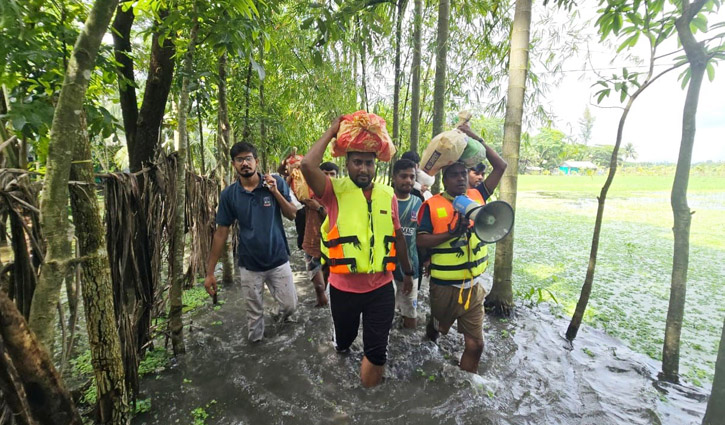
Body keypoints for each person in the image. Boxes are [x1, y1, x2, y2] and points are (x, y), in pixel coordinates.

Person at [301, 117, 415, 388]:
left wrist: (408, 273)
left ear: (376, 165)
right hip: (343, 291)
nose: (364, 168)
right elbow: (306, 165)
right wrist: (332, 130)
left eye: (369, 162)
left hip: (381, 289)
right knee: (344, 342)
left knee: (377, 352)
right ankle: (341, 357)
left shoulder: (387, 195)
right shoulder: (332, 192)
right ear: (347, 164)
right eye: (357, 162)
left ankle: (367, 402)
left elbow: (398, 237)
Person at [416, 131, 506, 373]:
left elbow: (501, 166)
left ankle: (468, 382)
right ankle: (432, 329)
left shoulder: (478, 196)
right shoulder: (431, 205)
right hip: (444, 287)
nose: (460, 179)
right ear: (444, 179)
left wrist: (477, 138)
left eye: (463, 174)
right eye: (453, 175)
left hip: (474, 287)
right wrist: (452, 233)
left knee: (476, 344)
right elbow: (421, 241)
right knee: (437, 329)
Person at [204, 142, 299, 342]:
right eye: (240, 160)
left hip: (278, 258)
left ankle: (279, 326)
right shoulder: (229, 195)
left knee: (290, 307)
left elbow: (292, 214)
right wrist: (210, 272)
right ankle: (257, 352)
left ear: (256, 161)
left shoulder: (276, 182)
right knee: (254, 322)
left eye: (248, 159)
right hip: (250, 265)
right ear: (234, 165)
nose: (245, 163)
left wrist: (275, 192)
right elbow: (221, 233)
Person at [299, 161, 339, 307]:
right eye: (325, 173)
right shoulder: (310, 192)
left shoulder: (339, 196)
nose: (328, 177)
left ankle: (325, 313)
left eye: (332, 174)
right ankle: (321, 305)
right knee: (320, 287)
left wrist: (319, 208)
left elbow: (337, 219)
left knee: (329, 282)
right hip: (312, 245)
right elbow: (296, 192)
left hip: (333, 245)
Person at [391, 159, 423, 329]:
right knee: (384, 315)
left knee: (411, 316)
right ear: (394, 177)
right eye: (403, 176)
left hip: (411, 268)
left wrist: (426, 261)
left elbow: (421, 236)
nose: (408, 181)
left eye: (412, 177)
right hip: (386, 270)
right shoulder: (384, 201)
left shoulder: (419, 204)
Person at [458, 122, 507, 202]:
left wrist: (474, 137)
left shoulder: (480, 192)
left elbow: (501, 166)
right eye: (476, 173)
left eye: (483, 174)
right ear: (465, 173)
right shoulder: (452, 192)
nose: (480, 177)